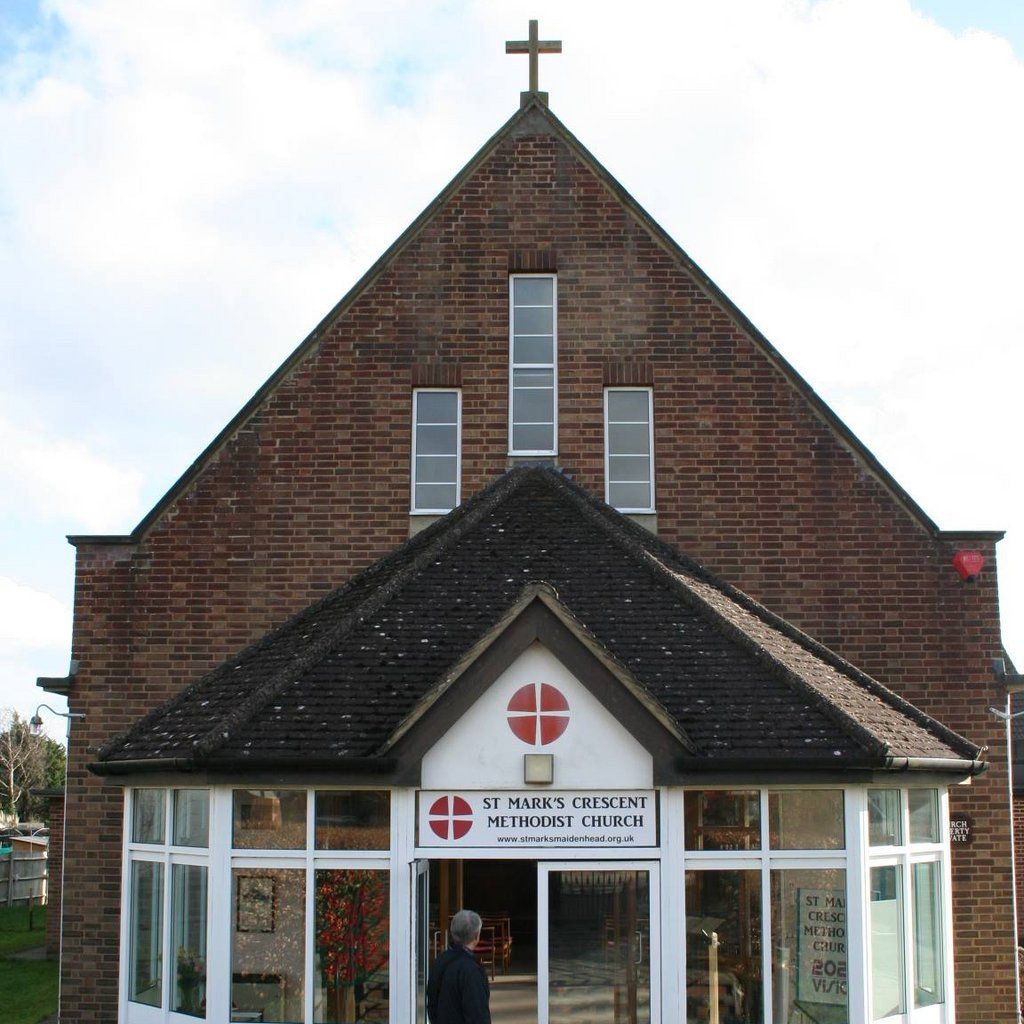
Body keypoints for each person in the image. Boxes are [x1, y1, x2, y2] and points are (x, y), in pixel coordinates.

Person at [426, 908, 491, 1024]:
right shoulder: (471, 970)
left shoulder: (440, 960)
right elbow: (477, 1015)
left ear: (452, 933)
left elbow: (431, 1003)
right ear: (477, 936)